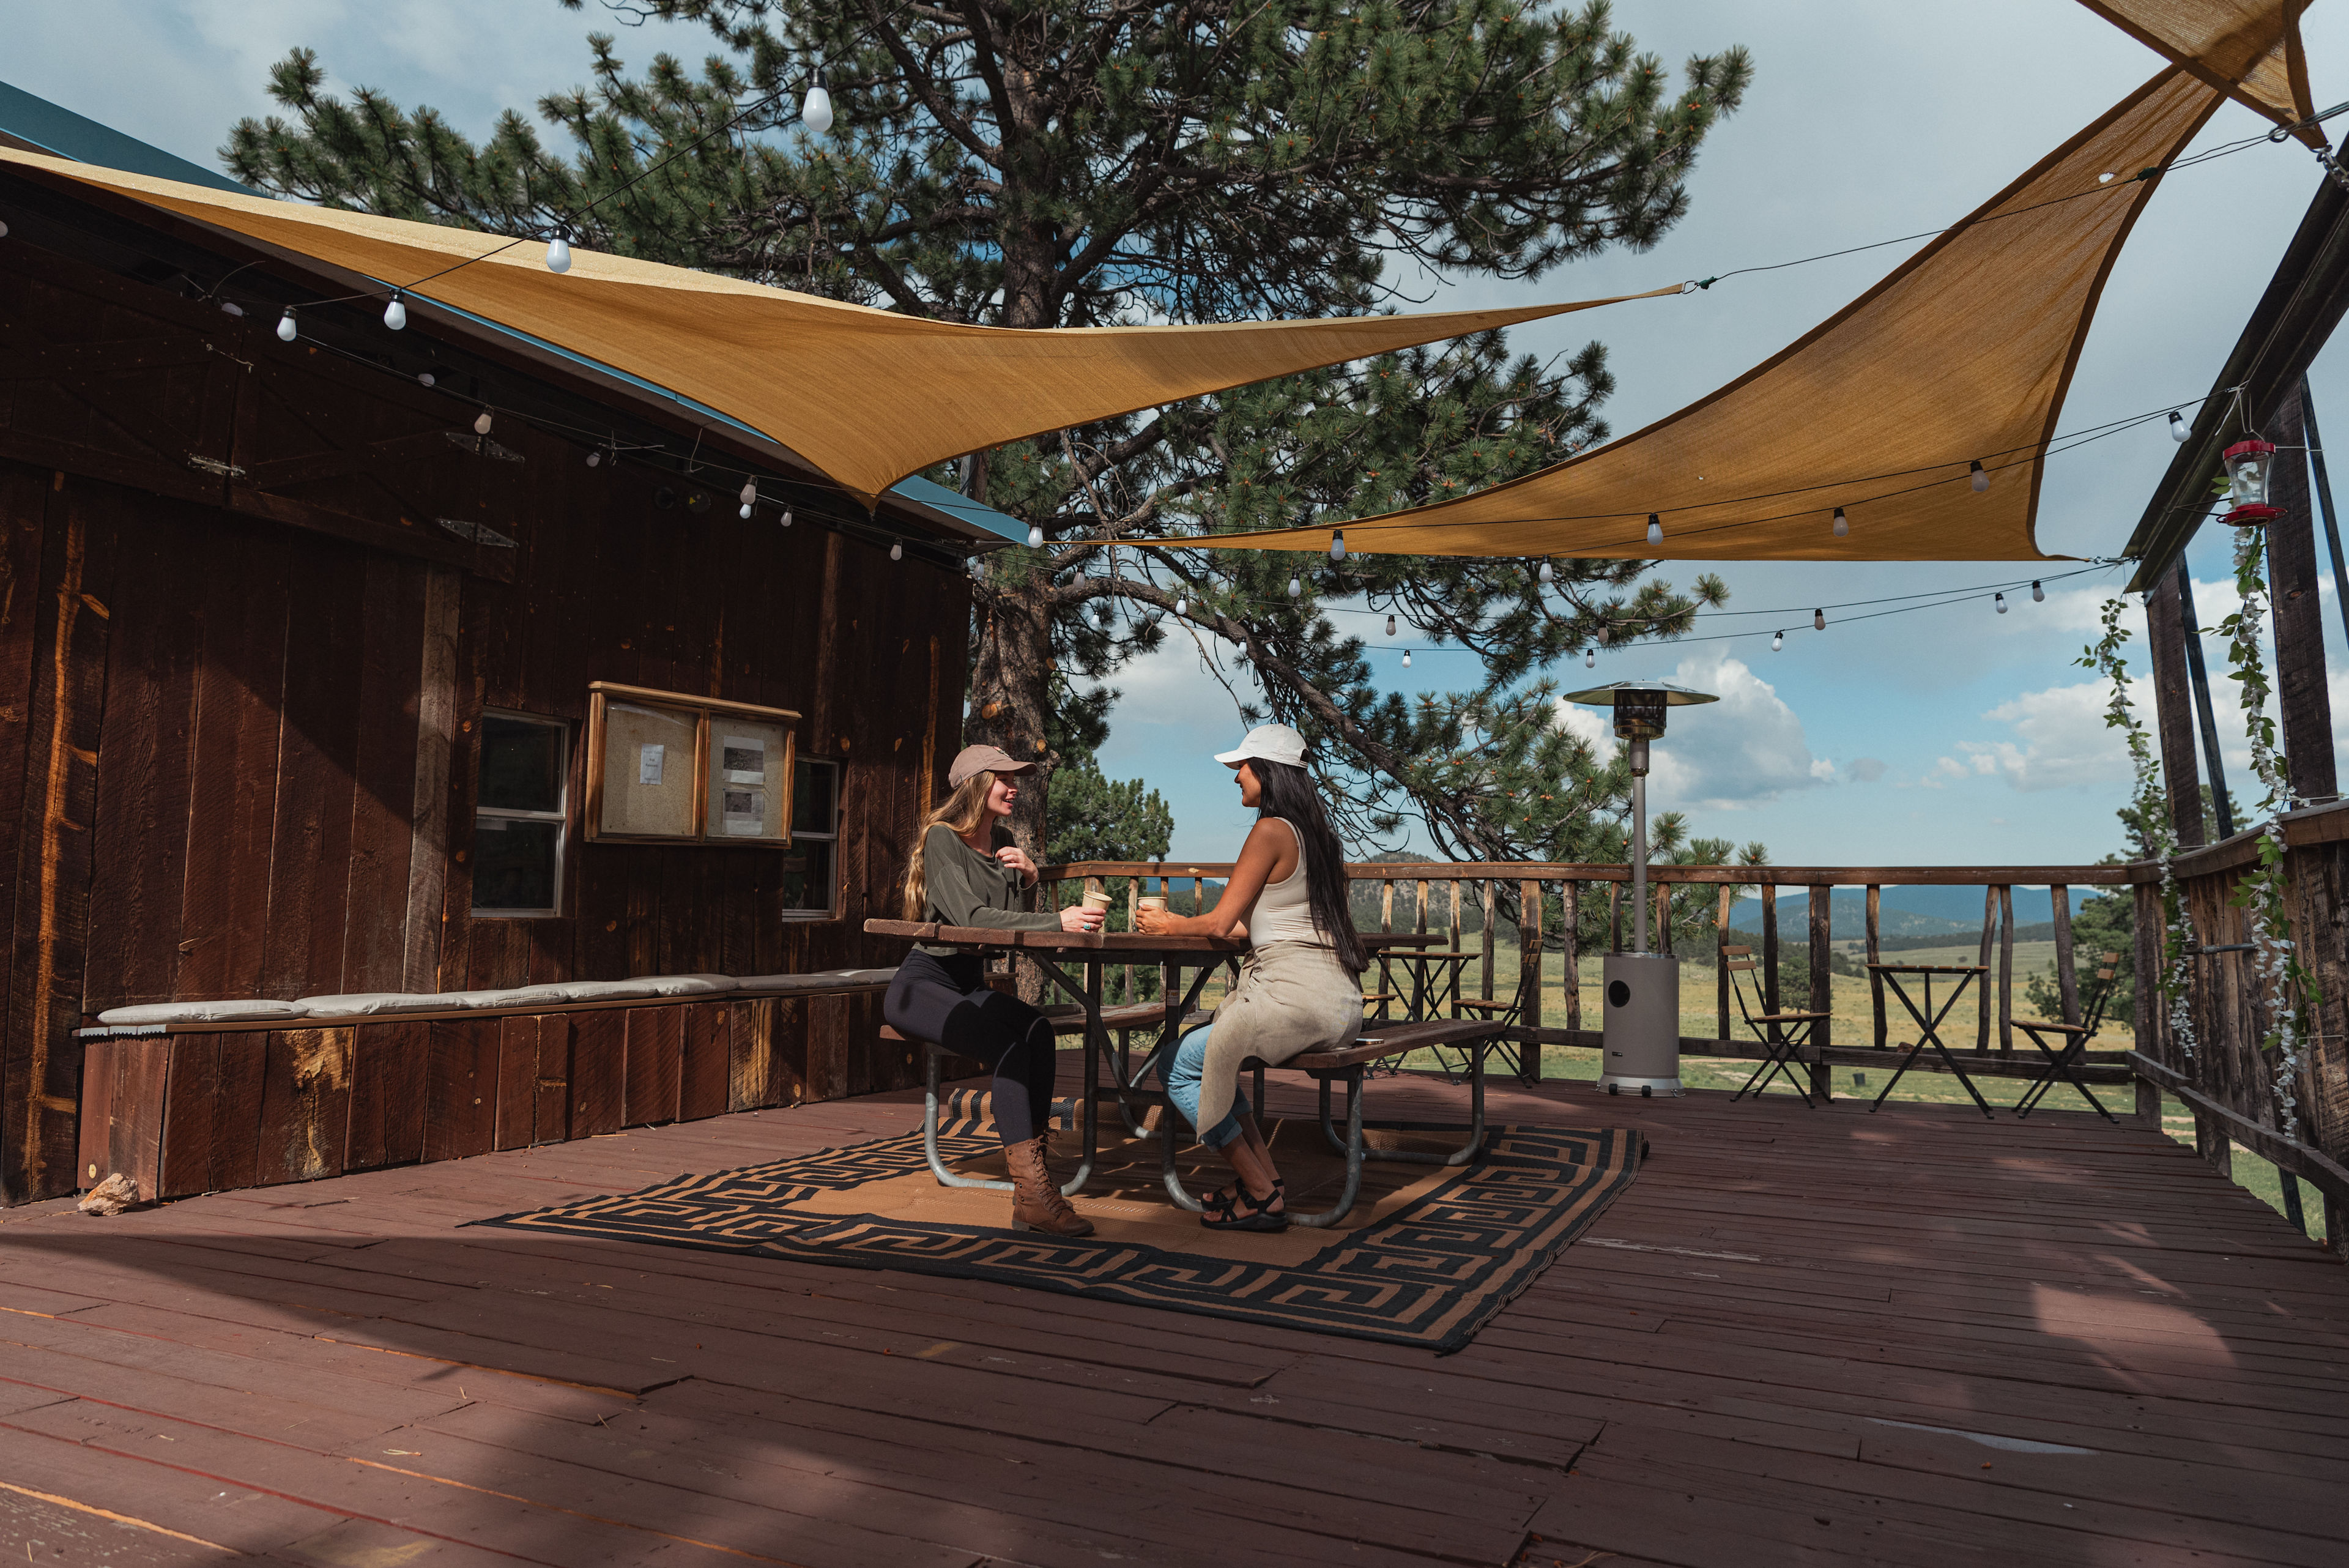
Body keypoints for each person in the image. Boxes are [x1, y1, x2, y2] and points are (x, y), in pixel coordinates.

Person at [1135, 724, 1367, 1231]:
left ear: (1267, 770)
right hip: (1340, 1002)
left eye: (1242, 767)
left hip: (1296, 1001)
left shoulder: (1271, 831)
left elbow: (1220, 923)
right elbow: (1251, 925)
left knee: (1176, 1064)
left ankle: (1261, 1192)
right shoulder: (1319, 839)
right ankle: (1265, 1181)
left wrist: (1171, 924)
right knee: (1209, 1056)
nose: (1235, 777)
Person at [886, 744, 1104, 1236]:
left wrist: (1028, 879)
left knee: (1038, 1031)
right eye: (1005, 777)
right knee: (1007, 1046)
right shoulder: (944, 839)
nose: (1015, 787)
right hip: (922, 985)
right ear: (979, 784)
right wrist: (1057, 917)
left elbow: (1003, 927)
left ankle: (1034, 1188)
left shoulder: (1003, 840)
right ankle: (1034, 1195)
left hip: (968, 984)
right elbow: (973, 921)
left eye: (1015, 777)